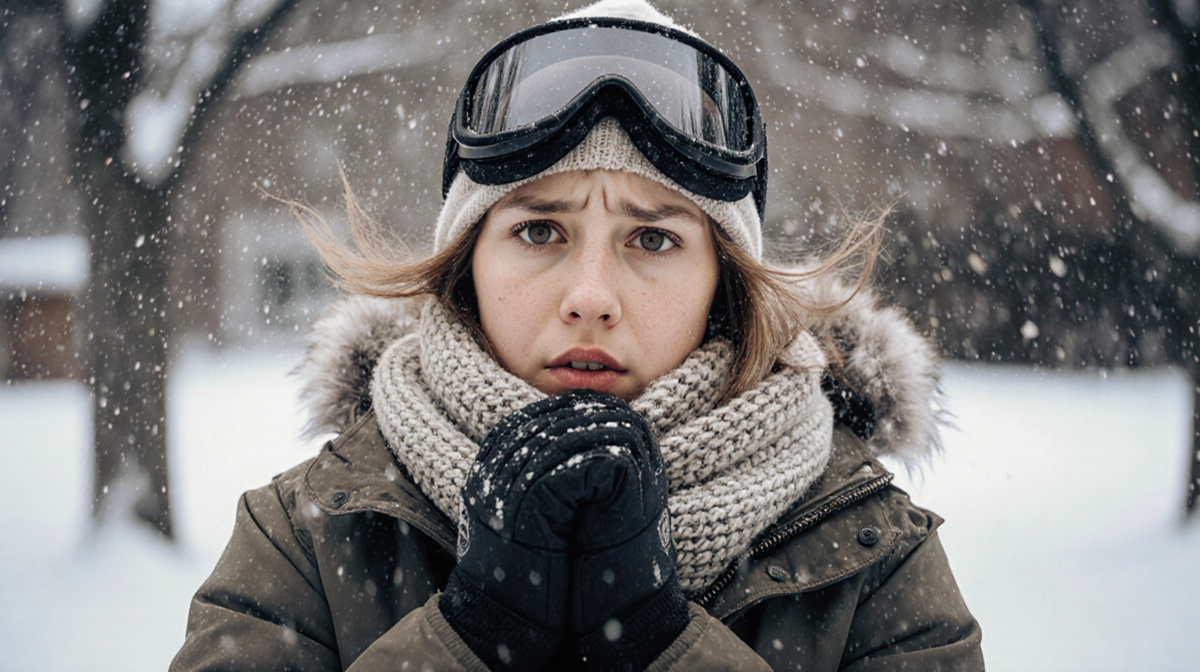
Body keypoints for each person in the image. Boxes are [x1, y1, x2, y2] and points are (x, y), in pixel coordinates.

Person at [171, 1, 983, 670]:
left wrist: (663, 640)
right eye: (539, 232)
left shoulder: (870, 557)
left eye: (654, 239)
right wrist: (471, 634)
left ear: (724, 287)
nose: (591, 299)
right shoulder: (310, 536)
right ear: (468, 264)